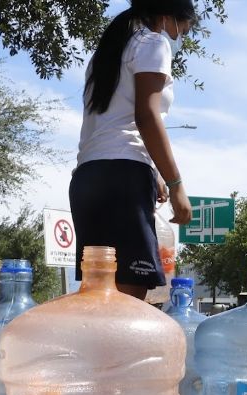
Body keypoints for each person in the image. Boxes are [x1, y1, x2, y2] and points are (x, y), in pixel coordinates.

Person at [70, 0, 194, 300]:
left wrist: (153, 173)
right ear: (167, 19)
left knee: (98, 297)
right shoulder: (152, 43)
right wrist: (177, 185)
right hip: (122, 180)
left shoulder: (106, 55)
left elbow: (113, 123)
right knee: (127, 301)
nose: (178, 40)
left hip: (88, 179)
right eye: (181, 32)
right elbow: (146, 116)